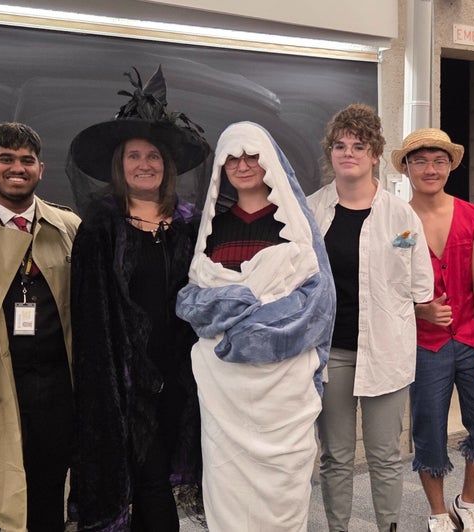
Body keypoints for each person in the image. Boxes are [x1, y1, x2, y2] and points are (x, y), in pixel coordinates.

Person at [66, 66, 209, 530]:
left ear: (166, 165)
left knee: (160, 479)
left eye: (153, 156)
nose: (144, 164)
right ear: (119, 164)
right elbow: (90, 318)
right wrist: (105, 390)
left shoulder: (188, 226)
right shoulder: (101, 229)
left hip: (181, 379)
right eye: (133, 156)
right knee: (143, 481)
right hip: (123, 385)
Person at [176, 121, 335, 531]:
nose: (243, 165)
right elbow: (194, 296)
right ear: (222, 168)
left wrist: (250, 326)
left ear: (269, 163)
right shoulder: (213, 229)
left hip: (281, 389)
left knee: (281, 491)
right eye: (233, 158)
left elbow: (315, 305)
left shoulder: (294, 229)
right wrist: (241, 302)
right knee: (226, 485)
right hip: (223, 386)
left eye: (252, 156)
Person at [307, 104, 434, 532]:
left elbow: (422, 287)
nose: (349, 154)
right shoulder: (310, 212)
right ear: (330, 153)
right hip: (332, 354)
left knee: (384, 456)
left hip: (387, 352)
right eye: (340, 146)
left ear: (375, 152)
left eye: (359, 146)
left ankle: (389, 528)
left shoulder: (401, 216)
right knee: (336, 456)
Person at [0, 122, 80, 531]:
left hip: (56, 396)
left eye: (27, 161)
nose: (17, 168)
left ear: (41, 169)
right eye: (6, 159)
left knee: (45, 506)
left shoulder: (69, 230)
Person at [392, 128, 474, 532]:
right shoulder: (396, 218)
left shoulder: (471, 214)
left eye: (439, 161)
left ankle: (466, 502)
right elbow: (388, 287)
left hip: (473, 338)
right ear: (406, 168)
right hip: (424, 345)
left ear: (450, 166)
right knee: (429, 430)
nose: (430, 168)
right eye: (419, 160)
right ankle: (438, 511)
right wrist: (420, 311)